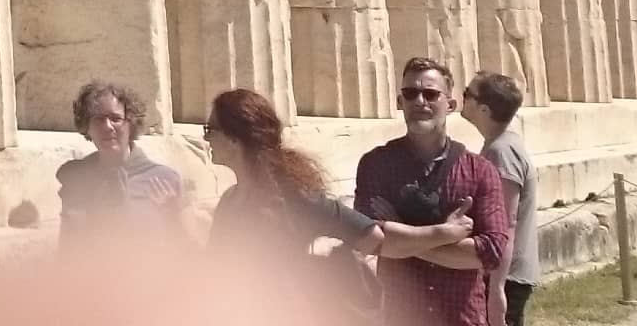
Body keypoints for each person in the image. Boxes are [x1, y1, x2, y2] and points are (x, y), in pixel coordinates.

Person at [354, 57, 510, 326]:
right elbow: (368, 237)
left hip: (461, 317)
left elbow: (490, 252)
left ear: (449, 105)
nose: (420, 102)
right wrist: (443, 234)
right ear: (400, 103)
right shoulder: (376, 165)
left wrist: (401, 234)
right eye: (410, 93)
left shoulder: (479, 170)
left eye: (430, 94)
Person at [206, 86, 377, 303]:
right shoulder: (229, 201)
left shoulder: (294, 199)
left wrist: (325, 260)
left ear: (234, 138)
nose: (206, 139)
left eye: (210, 130)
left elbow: (374, 237)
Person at [55, 79, 187, 244]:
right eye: (98, 119)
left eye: (115, 119)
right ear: (86, 126)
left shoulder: (165, 180)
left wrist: (172, 214)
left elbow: (184, 248)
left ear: (131, 124)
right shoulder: (76, 178)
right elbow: (68, 246)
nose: (108, 126)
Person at [461, 71, 540, 326]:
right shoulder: (500, 144)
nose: (462, 99)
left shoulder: (501, 151)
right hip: (506, 273)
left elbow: (505, 222)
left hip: (507, 276)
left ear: (483, 109)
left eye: (467, 94)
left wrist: (496, 288)